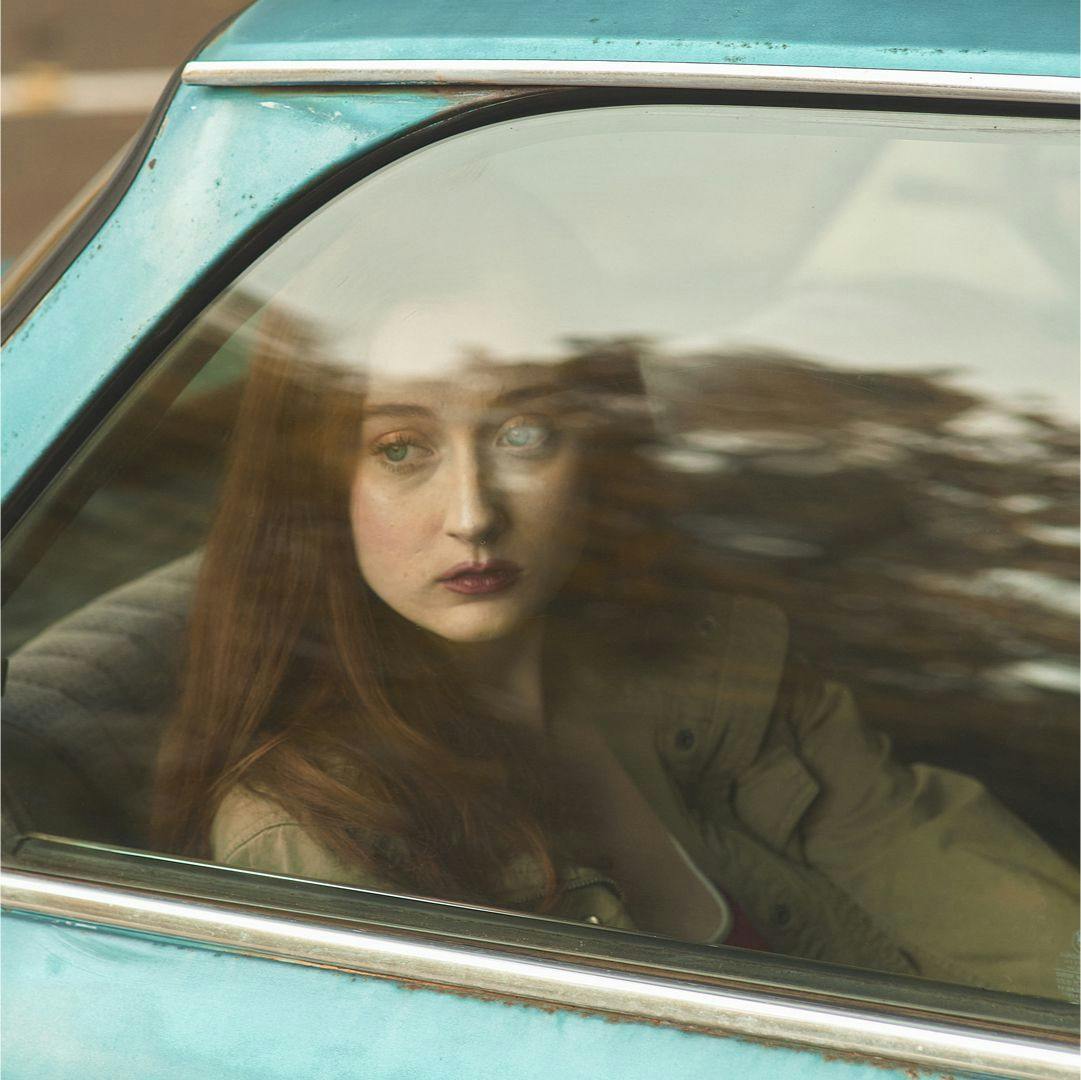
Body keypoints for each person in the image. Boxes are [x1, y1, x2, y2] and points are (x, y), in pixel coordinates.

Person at [153, 304, 1078, 1001]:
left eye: (522, 434)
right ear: (318, 486)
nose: (473, 514)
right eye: (401, 449)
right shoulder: (316, 831)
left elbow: (967, 889)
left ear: (594, 455)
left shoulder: (711, 667)